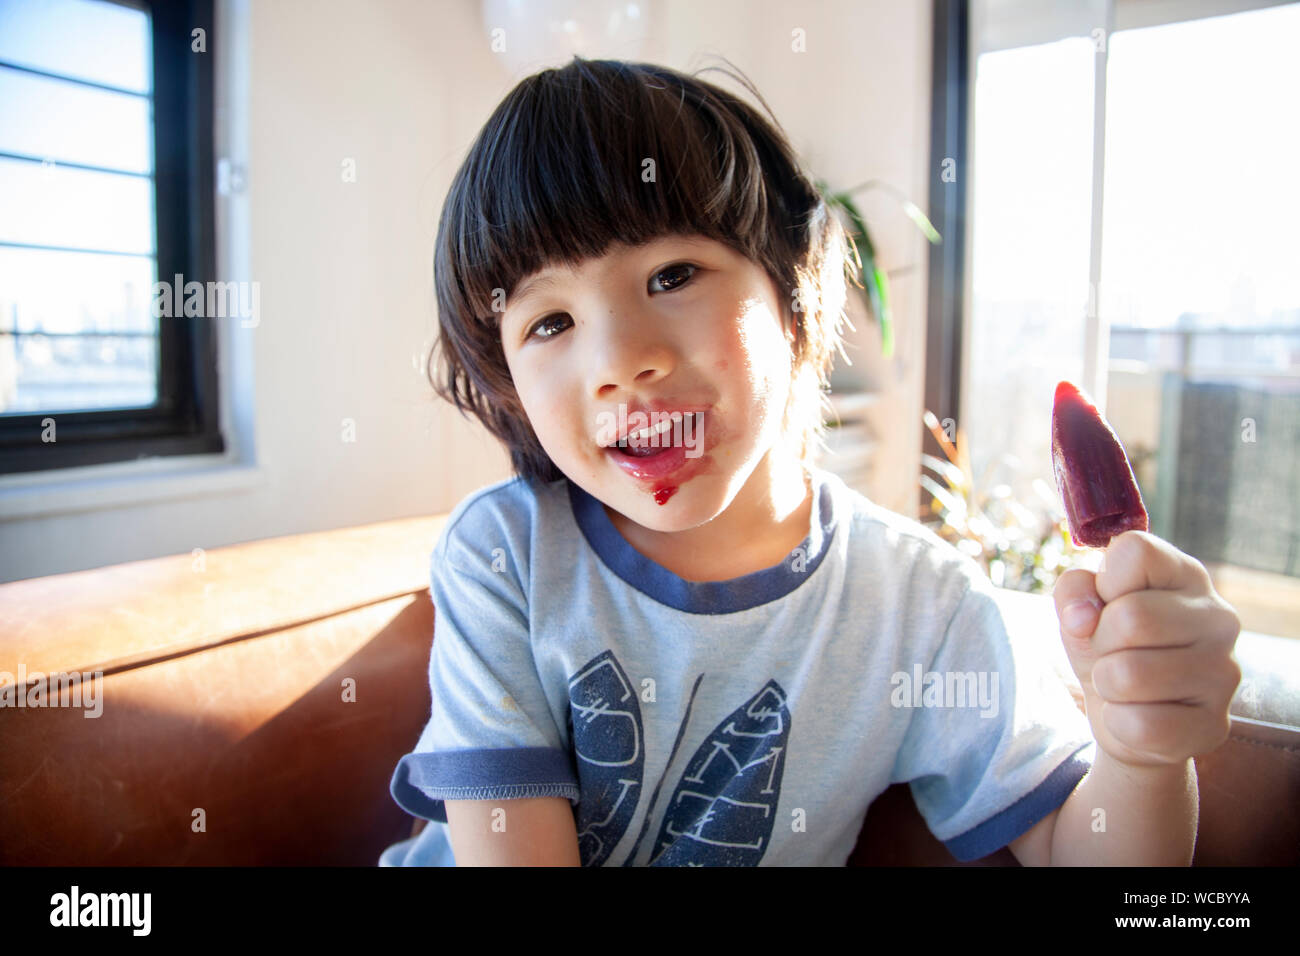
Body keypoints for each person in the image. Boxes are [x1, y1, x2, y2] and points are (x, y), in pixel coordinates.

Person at [379, 56, 1241, 867]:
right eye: (550, 323)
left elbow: (1089, 856)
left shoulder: (920, 610)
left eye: (674, 275)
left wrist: (1141, 754)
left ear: (793, 302)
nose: (619, 359)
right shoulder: (505, 558)